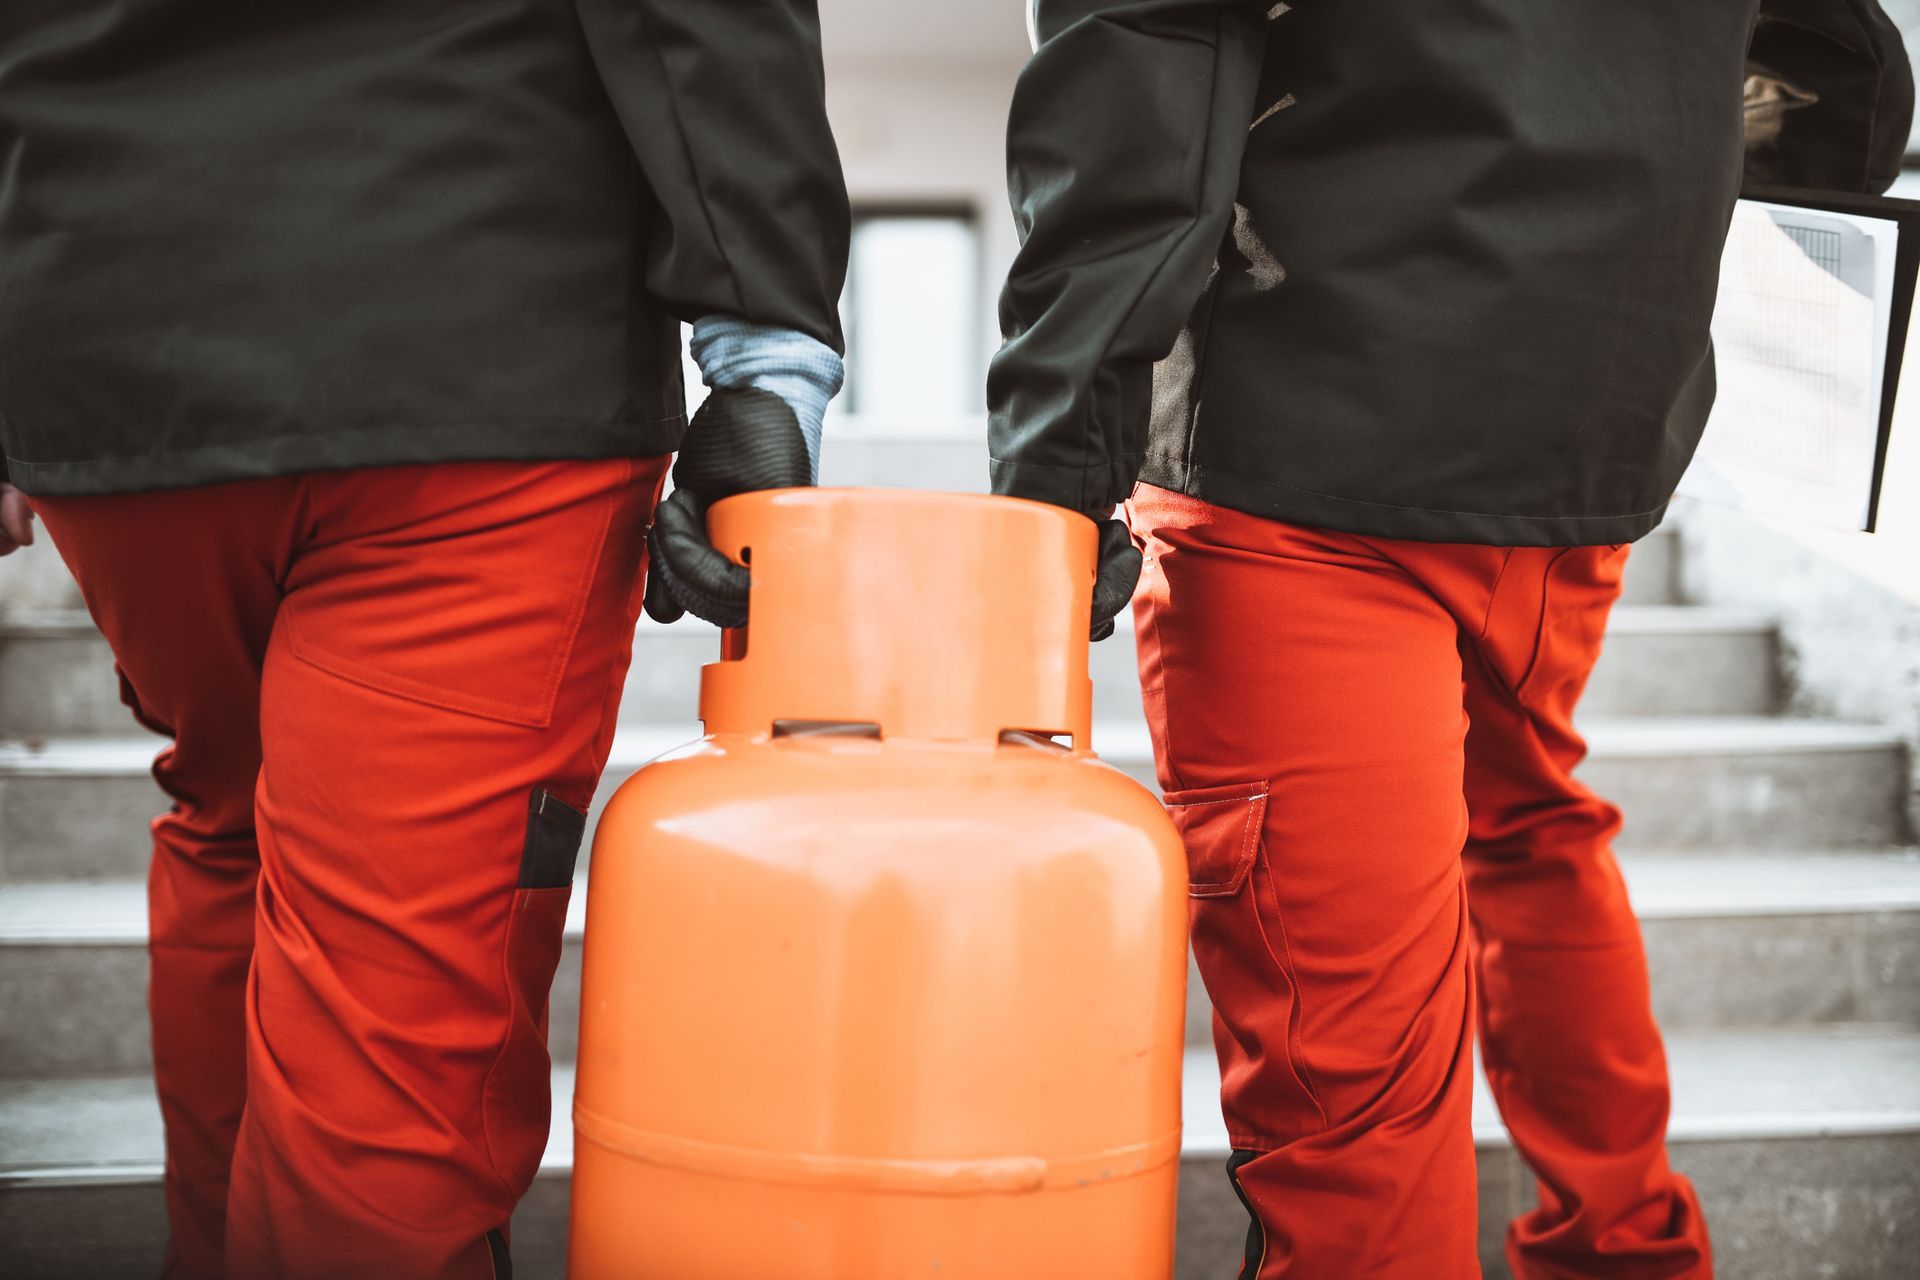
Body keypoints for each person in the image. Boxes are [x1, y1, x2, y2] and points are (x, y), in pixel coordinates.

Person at [988, 1, 1911, 1276]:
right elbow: (1848, 65)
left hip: (1316, 426)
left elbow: (1150, 39)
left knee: (1351, 1062)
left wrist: (1055, 457)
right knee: (1528, 828)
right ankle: (1626, 1253)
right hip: (1587, 436)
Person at [0, 3, 847, 1275]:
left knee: (235, 823)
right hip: (476, 325)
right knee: (385, 982)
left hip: (109, 328)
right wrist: (767, 351)